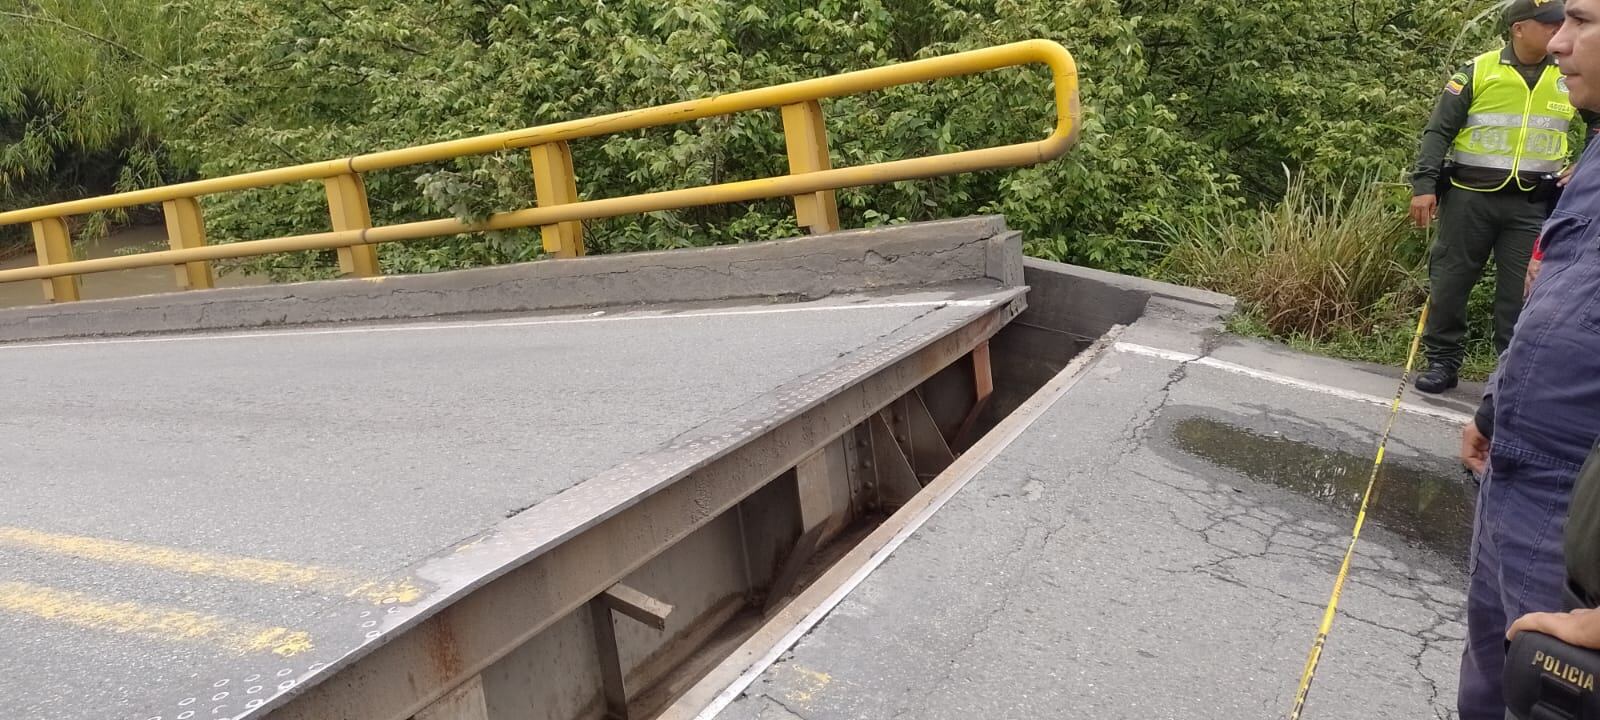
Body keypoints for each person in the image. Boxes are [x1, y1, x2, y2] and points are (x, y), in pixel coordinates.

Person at [1456, 0, 1600, 715]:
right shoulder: (1597, 151)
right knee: (1491, 684)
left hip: (1577, 511)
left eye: (1585, 21)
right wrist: (1493, 407)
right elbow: (1559, 305)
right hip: (1513, 473)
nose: (1562, 41)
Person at [1409, 0, 1589, 394]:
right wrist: (1423, 186)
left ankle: (1508, 374)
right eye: (1549, 25)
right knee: (1451, 281)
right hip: (1469, 197)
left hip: (1531, 202)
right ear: (1519, 29)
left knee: (1522, 294)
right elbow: (1438, 131)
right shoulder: (1479, 70)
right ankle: (1443, 361)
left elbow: (1598, 122)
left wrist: (1588, 163)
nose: (1558, 32)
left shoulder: (1570, 72)